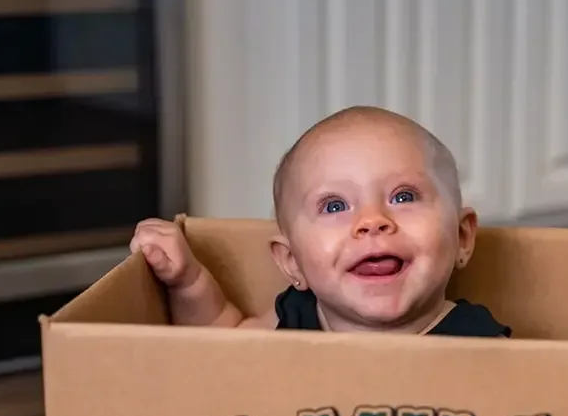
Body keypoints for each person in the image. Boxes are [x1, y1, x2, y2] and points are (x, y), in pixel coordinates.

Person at [130, 105, 511, 337]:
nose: (372, 221)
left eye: (403, 197)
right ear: (293, 262)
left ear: (462, 237)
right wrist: (187, 281)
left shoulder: (480, 345)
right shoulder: (295, 318)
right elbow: (220, 342)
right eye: (334, 206)